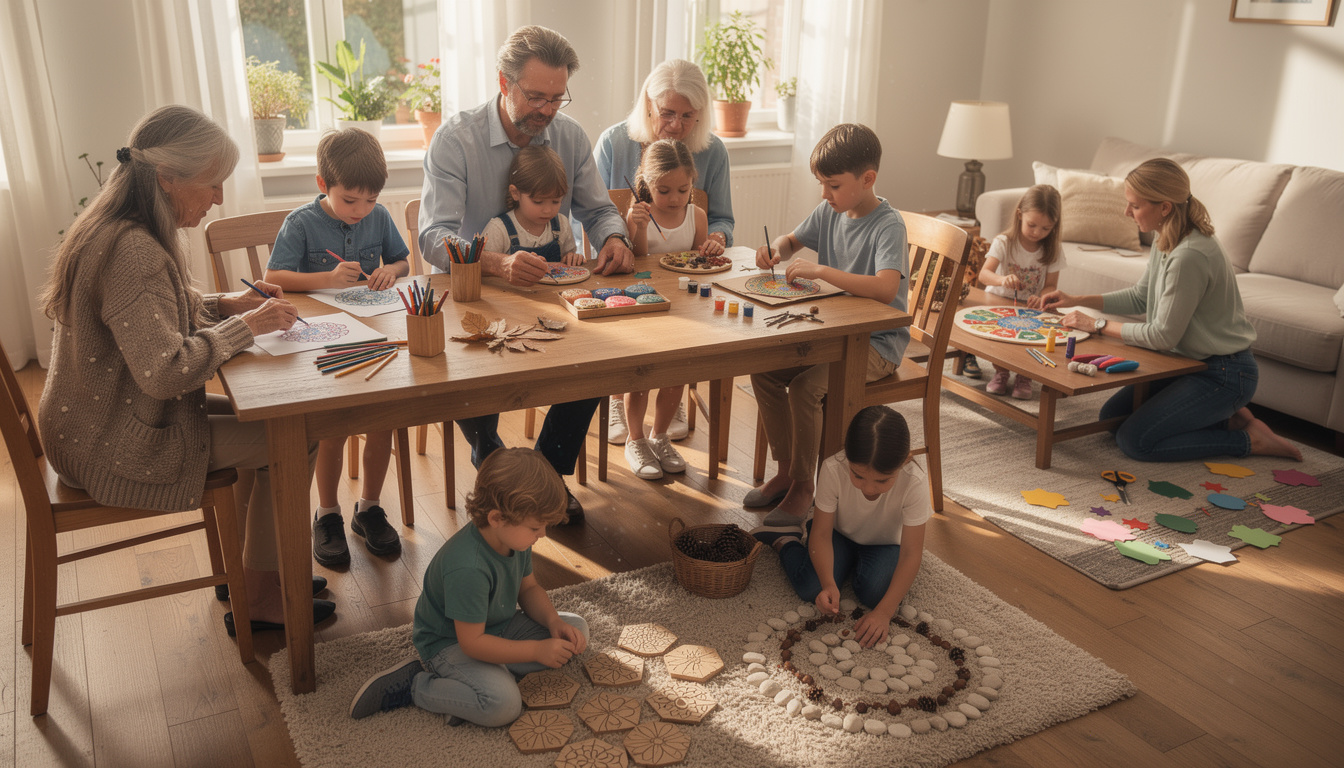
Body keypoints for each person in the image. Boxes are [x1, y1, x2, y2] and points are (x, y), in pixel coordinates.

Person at [37, 105, 331, 636]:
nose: (218, 198)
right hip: (110, 444)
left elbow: (159, 310)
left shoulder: (115, 227)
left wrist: (227, 306)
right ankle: (263, 596)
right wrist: (251, 327)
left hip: (88, 425)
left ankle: (249, 575)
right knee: (294, 437)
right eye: (212, 184)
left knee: (268, 424)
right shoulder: (133, 251)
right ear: (167, 178)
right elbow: (166, 371)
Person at [419, 25, 636, 520]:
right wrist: (494, 261)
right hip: (473, 292)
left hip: (550, 292)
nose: (547, 110)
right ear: (504, 82)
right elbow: (433, 237)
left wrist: (615, 239)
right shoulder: (456, 139)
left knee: (602, 359)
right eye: (536, 96)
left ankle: (545, 476)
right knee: (463, 365)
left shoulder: (570, 135)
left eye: (557, 98)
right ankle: (491, 455)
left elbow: (598, 210)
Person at [1039, 158, 1301, 462]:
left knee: (1136, 441)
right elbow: (1141, 297)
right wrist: (1075, 299)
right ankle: (1228, 416)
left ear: (1164, 207)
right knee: (1110, 418)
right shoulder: (1167, 236)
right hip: (1187, 364)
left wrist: (1096, 324)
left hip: (1225, 373)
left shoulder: (1189, 255)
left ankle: (1249, 440)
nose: (1127, 212)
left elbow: (1162, 335)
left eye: (1135, 206)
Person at [348, 448, 589, 725]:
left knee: (576, 632)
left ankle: (478, 683)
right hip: (451, 644)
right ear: (497, 518)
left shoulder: (515, 538)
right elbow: (472, 643)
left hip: (497, 626)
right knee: (504, 705)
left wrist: (553, 620)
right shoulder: (468, 568)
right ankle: (417, 685)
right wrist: (536, 651)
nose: (543, 534)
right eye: (536, 527)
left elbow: (529, 589)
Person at [749, 124, 910, 527]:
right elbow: (791, 240)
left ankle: (807, 487)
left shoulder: (887, 225)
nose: (824, 194)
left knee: (805, 387)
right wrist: (775, 250)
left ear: (867, 179)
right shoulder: (830, 211)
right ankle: (788, 472)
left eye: (833, 185)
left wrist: (822, 270)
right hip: (834, 336)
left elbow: (887, 289)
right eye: (821, 184)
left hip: (876, 346)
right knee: (764, 370)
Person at [264, 127, 411, 566]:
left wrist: (393, 271)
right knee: (332, 431)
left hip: (375, 334)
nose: (360, 211)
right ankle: (326, 513)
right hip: (320, 342)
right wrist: (324, 280)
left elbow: (402, 260)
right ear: (322, 185)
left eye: (369, 201)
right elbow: (274, 279)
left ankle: (368, 508)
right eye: (350, 200)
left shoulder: (379, 217)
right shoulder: (301, 223)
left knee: (382, 421)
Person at [594, 58, 734, 445]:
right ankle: (618, 397)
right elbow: (590, 215)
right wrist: (621, 238)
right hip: (627, 274)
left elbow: (722, 220)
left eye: (689, 116)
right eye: (667, 113)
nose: (677, 126)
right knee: (631, 329)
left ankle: (670, 396)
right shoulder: (614, 143)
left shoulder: (713, 151)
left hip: (682, 278)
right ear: (648, 106)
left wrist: (716, 239)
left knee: (687, 325)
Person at [751, 406, 929, 649]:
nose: (869, 489)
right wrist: (828, 583)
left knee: (878, 596)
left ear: (904, 461)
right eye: (858, 476)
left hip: (886, 543)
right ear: (847, 456)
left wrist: (884, 613)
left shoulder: (914, 481)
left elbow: (911, 553)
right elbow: (822, 534)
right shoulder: (833, 468)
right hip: (837, 534)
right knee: (810, 588)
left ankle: (850, 567)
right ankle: (786, 541)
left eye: (882, 480)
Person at [619, 139, 723, 480]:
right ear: (646, 184)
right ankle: (635, 440)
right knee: (639, 379)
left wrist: (709, 247)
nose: (675, 198)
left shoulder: (697, 215)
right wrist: (640, 226)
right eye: (663, 190)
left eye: (683, 189)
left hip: (683, 312)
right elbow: (635, 259)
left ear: (693, 182)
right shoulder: (638, 214)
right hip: (643, 308)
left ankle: (659, 436)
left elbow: (697, 262)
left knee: (675, 377)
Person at [979, 184, 1064, 400]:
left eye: (1046, 229)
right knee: (1002, 340)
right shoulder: (1004, 242)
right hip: (997, 301)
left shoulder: (1052, 249)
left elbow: (1051, 285)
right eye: (1032, 225)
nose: (1037, 233)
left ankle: (1024, 376)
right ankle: (1001, 372)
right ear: (1019, 215)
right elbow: (984, 274)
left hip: (1028, 307)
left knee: (1031, 338)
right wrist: (1002, 279)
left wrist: (1042, 295)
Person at [479, 145, 582, 266]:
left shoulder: (562, 225)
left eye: (555, 201)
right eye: (538, 201)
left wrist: (572, 257)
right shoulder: (499, 230)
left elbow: (568, 259)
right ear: (515, 193)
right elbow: (481, 265)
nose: (548, 210)